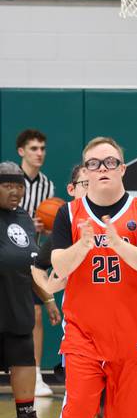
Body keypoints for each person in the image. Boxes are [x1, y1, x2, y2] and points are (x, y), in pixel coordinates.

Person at [50, 137, 137, 418]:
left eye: (110, 162)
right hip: (82, 336)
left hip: (134, 336)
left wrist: (119, 245)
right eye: (94, 163)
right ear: (85, 171)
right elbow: (59, 266)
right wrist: (82, 246)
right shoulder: (68, 213)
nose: (103, 168)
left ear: (122, 169)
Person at [31, 164, 117, 418]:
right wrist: (51, 294)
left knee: (117, 395)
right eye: (83, 181)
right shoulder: (67, 223)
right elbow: (38, 267)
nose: (89, 184)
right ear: (73, 188)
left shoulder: (119, 216)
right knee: (81, 401)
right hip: (82, 325)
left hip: (121, 321)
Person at [0, 161, 61, 418]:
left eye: (19, 186)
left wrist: (47, 298)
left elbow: (31, 263)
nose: (15, 191)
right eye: (8, 185)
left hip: (18, 303)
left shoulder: (23, 217)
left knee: (24, 358)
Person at [17, 129, 57, 398]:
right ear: (21, 151)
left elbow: (49, 227)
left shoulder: (47, 186)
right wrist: (24, 223)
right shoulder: (7, 179)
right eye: (33, 148)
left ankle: (38, 375)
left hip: (31, 257)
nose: (39, 153)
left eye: (42, 148)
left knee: (37, 315)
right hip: (6, 255)